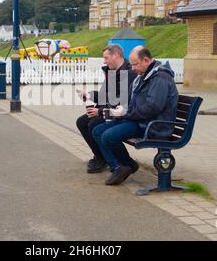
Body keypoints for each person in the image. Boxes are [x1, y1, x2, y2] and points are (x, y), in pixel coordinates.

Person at [92, 46, 179, 186]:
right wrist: (120, 111)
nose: (133, 68)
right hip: (140, 120)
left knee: (108, 136)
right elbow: (135, 102)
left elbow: (152, 108)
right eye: (132, 64)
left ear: (146, 60)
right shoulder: (144, 76)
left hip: (153, 125)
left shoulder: (160, 77)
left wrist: (125, 113)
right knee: (97, 130)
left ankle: (128, 165)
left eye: (135, 64)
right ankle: (119, 167)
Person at [76, 44, 137, 174]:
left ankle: (106, 160)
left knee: (94, 123)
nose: (104, 61)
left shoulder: (128, 73)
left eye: (106, 58)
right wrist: (90, 95)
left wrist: (99, 111)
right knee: (82, 121)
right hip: (109, 110)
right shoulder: (114, 72)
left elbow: (122, 100)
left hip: (121, 114)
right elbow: (106, 96)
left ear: (115, 55)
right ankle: (100, 156)